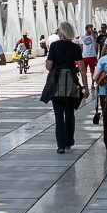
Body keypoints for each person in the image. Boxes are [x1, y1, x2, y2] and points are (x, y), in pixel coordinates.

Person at [46, 20, 87, 153]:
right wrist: (85, 87)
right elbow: (81, 68)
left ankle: (61, 145)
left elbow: (49, 66)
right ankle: (69, 140)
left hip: (57, 83)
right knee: (70, 113)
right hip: (71, 82)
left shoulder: (54, 46)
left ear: (61, 32)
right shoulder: (75, 47)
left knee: (58, 115)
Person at [79, 23, 98, 93]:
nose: (90, 30)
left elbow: (95, 38)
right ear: (86, 29)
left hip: (92, 56)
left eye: (91, 28)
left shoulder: (93, 36)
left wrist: (91, 31)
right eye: (89, 28)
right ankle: (84, 83)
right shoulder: (82, 38)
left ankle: (92, 83)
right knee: (83, 71)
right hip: (85, 56)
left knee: (92, 71)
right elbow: (80, 47)